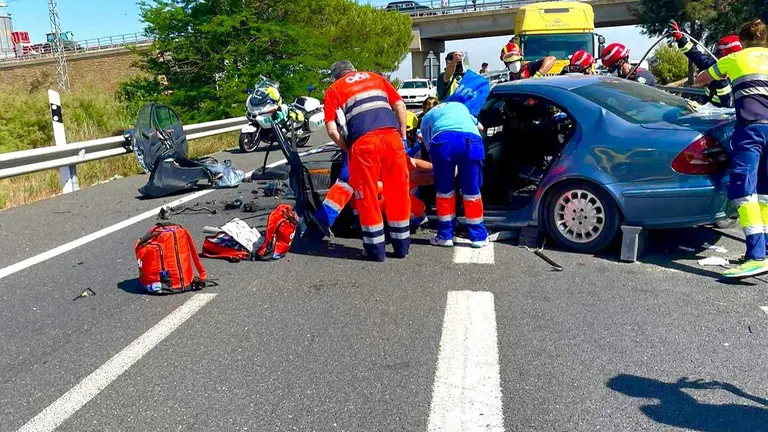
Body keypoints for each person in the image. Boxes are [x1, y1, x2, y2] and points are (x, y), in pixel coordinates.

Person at [695, 19, 768, 278]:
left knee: (743, 189)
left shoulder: (735, 59)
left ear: (743, 41)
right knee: (764, 192)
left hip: (752, 130)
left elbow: (701, 78)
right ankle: (764, 249)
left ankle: (757, 256)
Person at [323, 60, 411, 262]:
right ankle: (402, 247)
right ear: (353, 69)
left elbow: (331, 129)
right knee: (398, 192)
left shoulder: (334, 90)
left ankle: (375, 251)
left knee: (367, 196)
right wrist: (403, 137)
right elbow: (399, 105)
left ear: (336, 76)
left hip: (364, 144)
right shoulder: (376, 77)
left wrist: (348, 149)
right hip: (393, 138)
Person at [421, 101, 488, 248]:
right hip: (471, 141)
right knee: (472, 193)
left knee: (444, 192)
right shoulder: (460, 106)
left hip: (443, 142)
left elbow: (428, 146)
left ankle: (445, 236)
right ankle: (478, 237)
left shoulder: (426, 118)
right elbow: (481, 127)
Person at [670, 20, 741, 108]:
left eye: (718, 54)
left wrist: (721, 81)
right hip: (708, 110)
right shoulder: (714, 64)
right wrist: (680, 39)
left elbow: (729, 106)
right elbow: (696, 56)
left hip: (724, 118)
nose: (715, 56)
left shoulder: (739, 77)